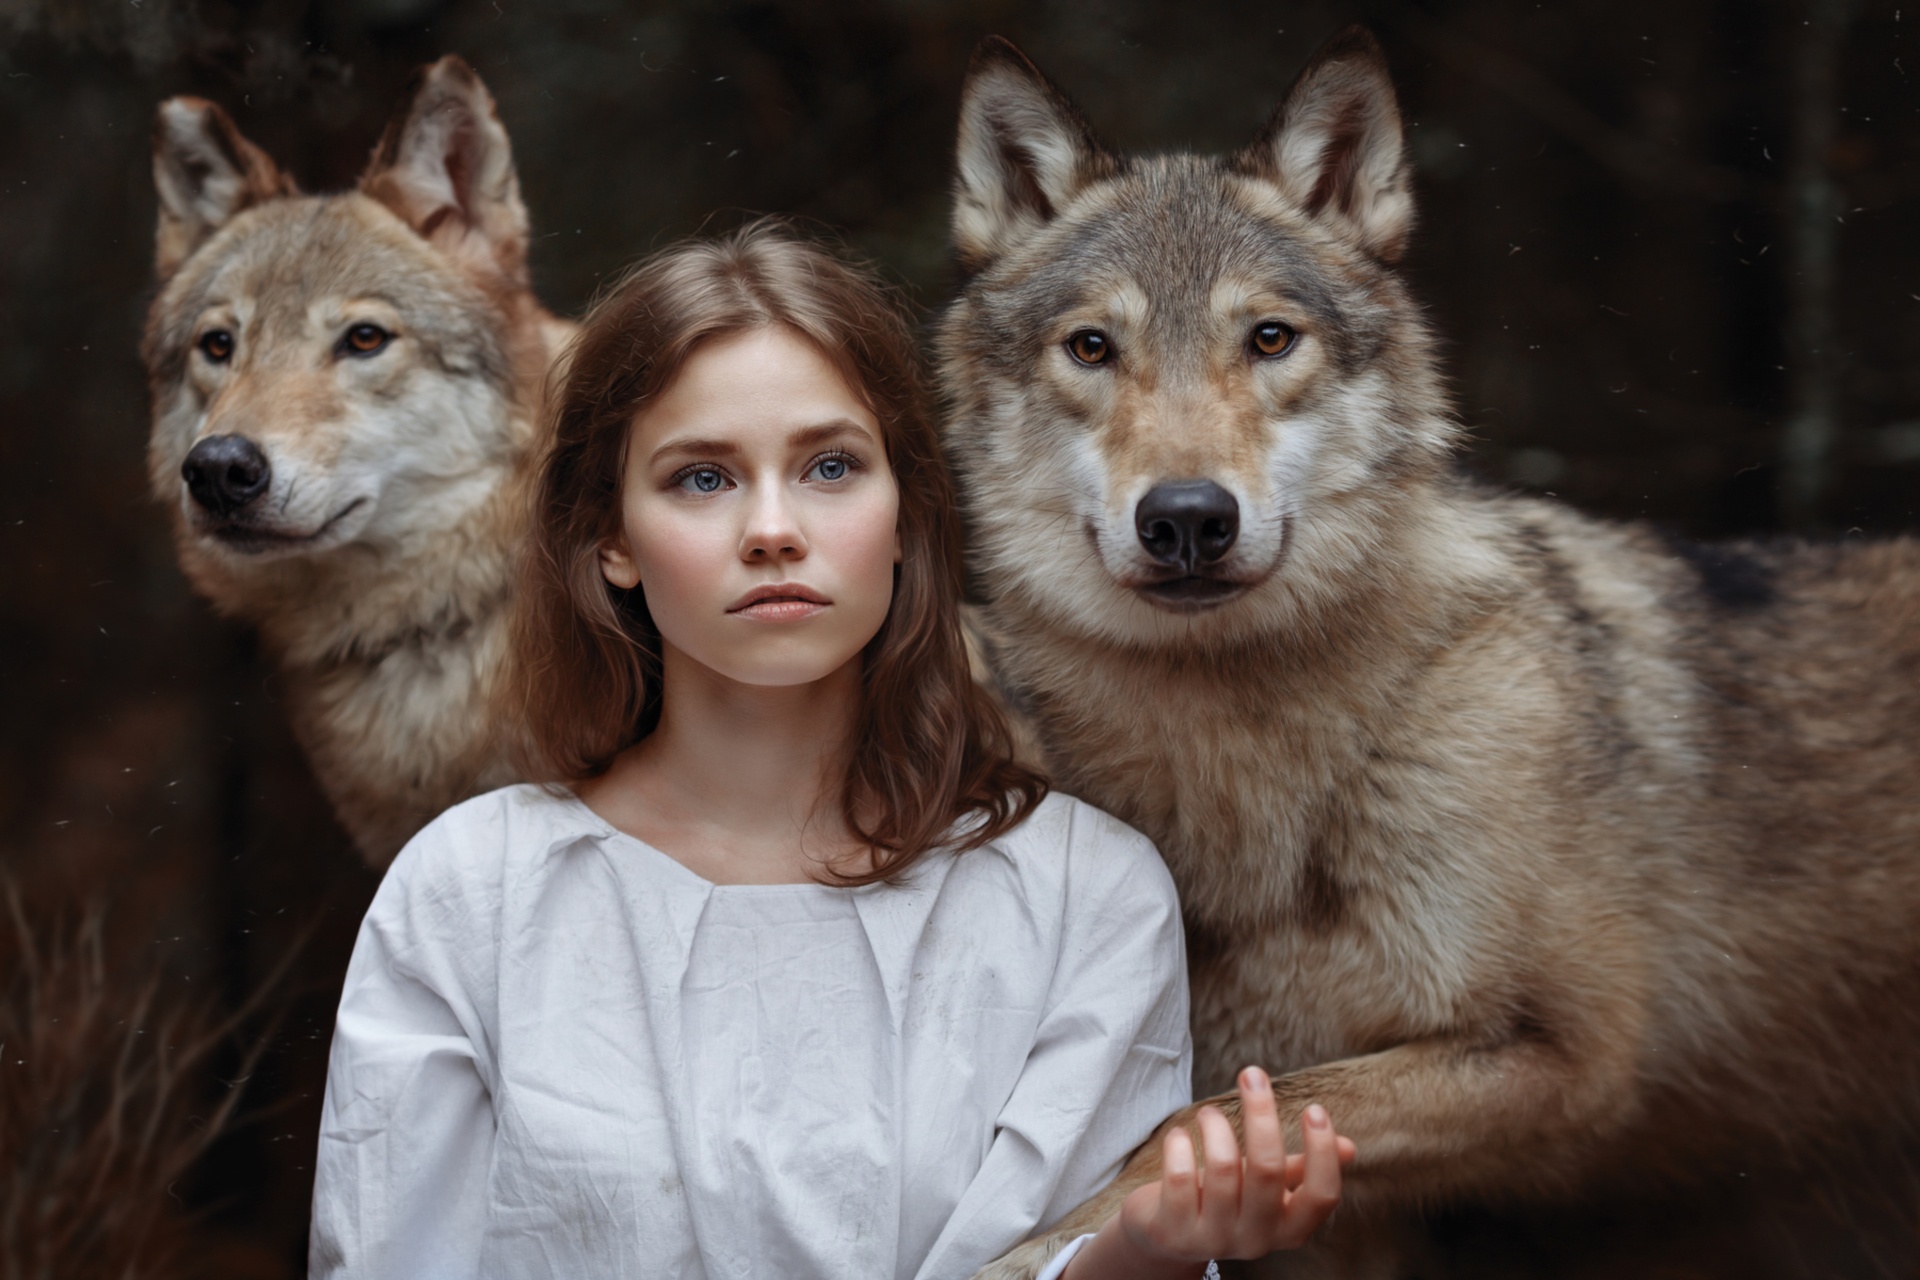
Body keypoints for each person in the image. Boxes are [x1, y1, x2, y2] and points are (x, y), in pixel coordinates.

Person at [308, 221, 1354, 1280]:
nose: (773, 527)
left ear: (905, 511)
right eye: (702, 479)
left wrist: (1137, 1250)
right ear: (609, 535)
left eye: (830, 466)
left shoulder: (1087, 893)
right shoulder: (468, 891)